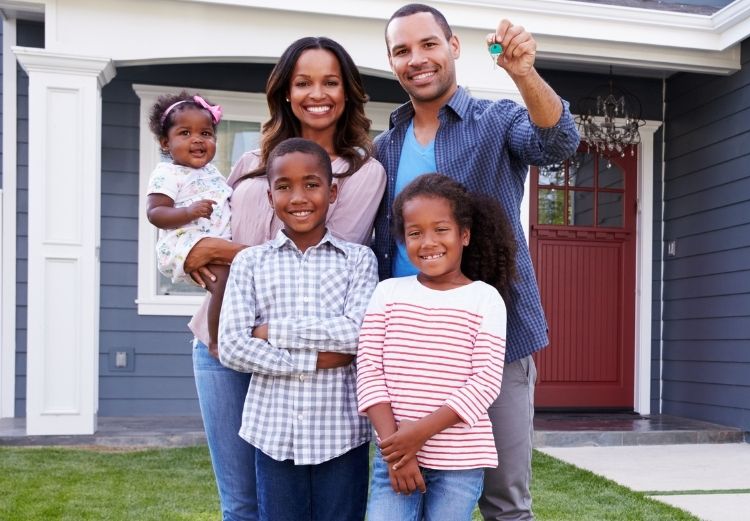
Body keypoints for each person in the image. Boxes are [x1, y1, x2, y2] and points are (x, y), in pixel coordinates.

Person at [374, 5, 579, 519]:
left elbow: (558, 141)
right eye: (402, 50)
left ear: (454, 47)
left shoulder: (497, 121)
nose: (416, 59)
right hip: (406, 356)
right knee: (402, 496)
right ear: (392, 62)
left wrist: (524, 72)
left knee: (504, 502)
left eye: (428, 44)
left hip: (490, 349)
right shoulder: (384, 148)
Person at [182, 36, 386, 521]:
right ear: (286, 92)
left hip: (298, 347)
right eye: (304, 82)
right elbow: (210, 240)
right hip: (219, 339)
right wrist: (198, 251)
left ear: (347, 91)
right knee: (241, 504)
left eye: (330, 82)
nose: (318, 93)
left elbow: (324, 249)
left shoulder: (362, 172)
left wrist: (223, 254)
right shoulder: (251, 162)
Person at [218, 137, 377, 521]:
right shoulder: (250, 264)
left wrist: (272, 331)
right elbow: (232, 347)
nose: (299, 197)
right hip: (273, 433)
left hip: (341, 434)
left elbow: (357, 335)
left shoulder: (358, 260)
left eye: (311, 184)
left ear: (332, 191)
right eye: (284, 187)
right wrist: (315, 360)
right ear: (270, 196)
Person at [358, 174, 515, 520]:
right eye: (415, 233)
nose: (428, 242)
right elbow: (369, 370)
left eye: (441, 229)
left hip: (459, 463)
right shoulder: (388, 293)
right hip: (394, 455)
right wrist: (397, 448)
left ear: (464, 235)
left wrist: (417, 434)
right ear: (403, 240)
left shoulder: (484, 299)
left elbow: (485, 382)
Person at [144, 92, 232, 350]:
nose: (197, 140)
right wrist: (189, 212)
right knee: (222, 282)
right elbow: (156, 213)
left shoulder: (212, 173)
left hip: (209, 241)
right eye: (185, 133)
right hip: (181, 243)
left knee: (233, 281)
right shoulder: (167, 173)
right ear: (164, 143)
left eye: (205, 134)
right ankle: (215, 340)